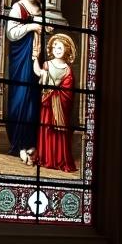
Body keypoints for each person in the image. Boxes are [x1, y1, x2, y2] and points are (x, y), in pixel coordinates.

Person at [5, 0, 44, 164]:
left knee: (32, 99)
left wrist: (42, 29)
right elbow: (11, 33)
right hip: (20, 58)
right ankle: (18, 142)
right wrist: (31, 27)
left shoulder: (39, 8)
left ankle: (29, 141)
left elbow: (40, 32)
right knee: (20, 96)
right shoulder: (17, 7)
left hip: (35, 57)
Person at [34, 33, 77, 172]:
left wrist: (55, 93)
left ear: (66, 50)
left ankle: (58, 159)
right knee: (46, 128)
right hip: (47, 105)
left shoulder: (68, 70)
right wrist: (36, 60)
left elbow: (68, 92)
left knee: (58, 133)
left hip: (59, 108)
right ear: (51, 49)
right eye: (55, 47)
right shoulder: (47, 64)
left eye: (60, 47)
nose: (57, 50)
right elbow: (40, 77)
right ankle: (46, 157)